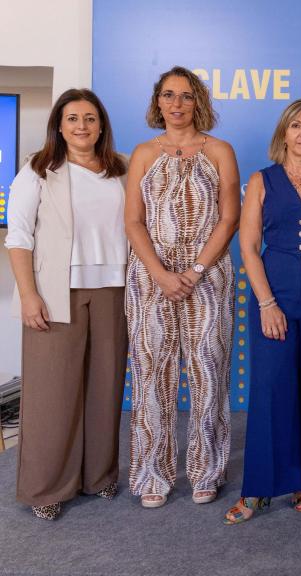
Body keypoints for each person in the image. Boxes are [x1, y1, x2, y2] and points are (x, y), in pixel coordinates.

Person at [5, 89, 128, 520]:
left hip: (114, 289)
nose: (81, 126)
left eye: (90, 118)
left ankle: (99, 476)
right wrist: (28, 294)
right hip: (56, 292)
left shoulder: (121, 169)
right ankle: (46, 488)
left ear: (101, 125)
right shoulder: (38, 169)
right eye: (72, 118)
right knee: (52, 394)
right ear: (59, 125)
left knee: (105, 387)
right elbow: (18, 236)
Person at [223, 99, 301, 524]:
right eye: (296, 126)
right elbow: (248, 246)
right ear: (284, 133)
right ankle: (257, 490)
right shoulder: (262, 180)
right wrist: (266, 303)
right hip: (273, 297)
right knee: (272, 391)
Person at [124, 66, 240, 508]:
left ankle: (207, 469)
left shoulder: (220, 151)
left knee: (209, 370)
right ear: (158, 101)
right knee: (151, 373)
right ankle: (152, 474)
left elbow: (229, 218)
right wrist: (160, 273)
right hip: (150, 277)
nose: (177, 104)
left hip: (207, 276)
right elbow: (133, 221)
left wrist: (194, 271)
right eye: (169, 95)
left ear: (198, 102)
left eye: (186, 96)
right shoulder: (142, 154)